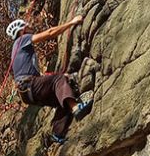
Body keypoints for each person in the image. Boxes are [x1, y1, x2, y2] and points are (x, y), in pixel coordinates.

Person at [8, 16, 93, 144]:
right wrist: (72, 22)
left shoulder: (16, 49)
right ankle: (76, 108)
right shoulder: (22, 40)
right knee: (58, 79)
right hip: (30, 85)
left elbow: (26, 71)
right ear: (21, 31)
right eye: (27, 27)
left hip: (26, 93)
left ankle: (57, 133)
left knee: (62, 101)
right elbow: (49, 33)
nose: (31, 28)